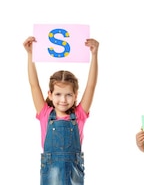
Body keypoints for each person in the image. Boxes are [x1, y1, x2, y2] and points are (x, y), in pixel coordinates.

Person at [24, 36, 99, 185]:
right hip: (50, 173)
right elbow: (34, 85)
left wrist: (95, 55)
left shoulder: (79, 115)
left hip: (74, 174)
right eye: (58, 94)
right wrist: (30, 54)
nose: (63, 100)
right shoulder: (45, 113)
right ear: (50, 95)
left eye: (68, 95)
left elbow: (91, 85)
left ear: (76, 95)